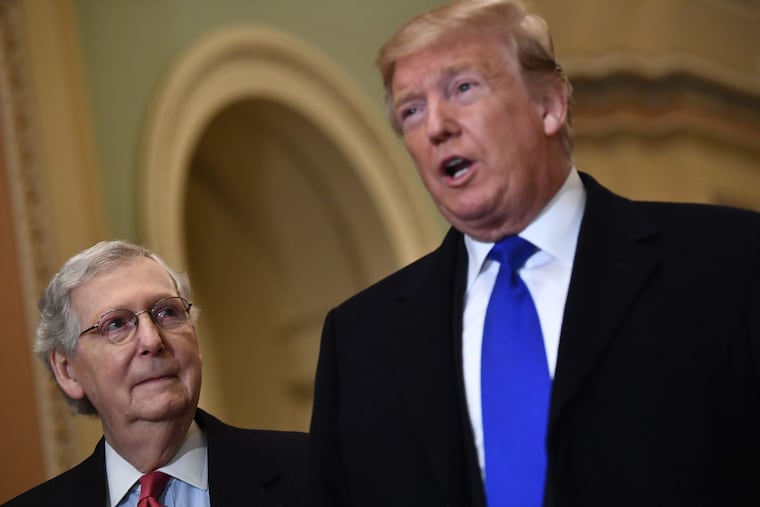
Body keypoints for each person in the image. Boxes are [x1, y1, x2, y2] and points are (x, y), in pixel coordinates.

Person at [307, 1, 760, 506]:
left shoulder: (731, 262)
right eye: (411, 110)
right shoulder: (359, 340)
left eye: (462, 88)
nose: (436, 126)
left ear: (550, 105)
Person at [3, 240, 307, 506]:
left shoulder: (313, 469)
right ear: (68, 371)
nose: (152, 340)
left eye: (167, 312)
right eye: (116, 324)